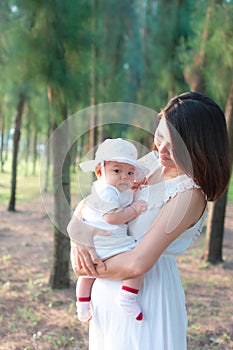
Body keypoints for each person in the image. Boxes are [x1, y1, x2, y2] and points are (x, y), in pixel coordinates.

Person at [69, 92, 231, 350]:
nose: (161, 150)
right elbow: (97, 197)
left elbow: (138, 262)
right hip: (107, 297)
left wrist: (84, 268)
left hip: (147, 299)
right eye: (159, 137)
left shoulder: (188, 194)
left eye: (174, 146)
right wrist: (76, 231)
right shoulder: (152, 163)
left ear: (198, 148)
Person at [68, 138, 149, 322]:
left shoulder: (110, 188)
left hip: (96, 243)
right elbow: (111, 217)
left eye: (130, 173)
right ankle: (128, 297)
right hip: (109, 241)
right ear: (99, 171)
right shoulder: (107, 191)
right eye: (117, 171)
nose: (124, 177)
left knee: (87, 275)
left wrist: (131, 188)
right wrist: (134, 209)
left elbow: (122, 195)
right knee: (136, 266)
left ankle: (82, 305)